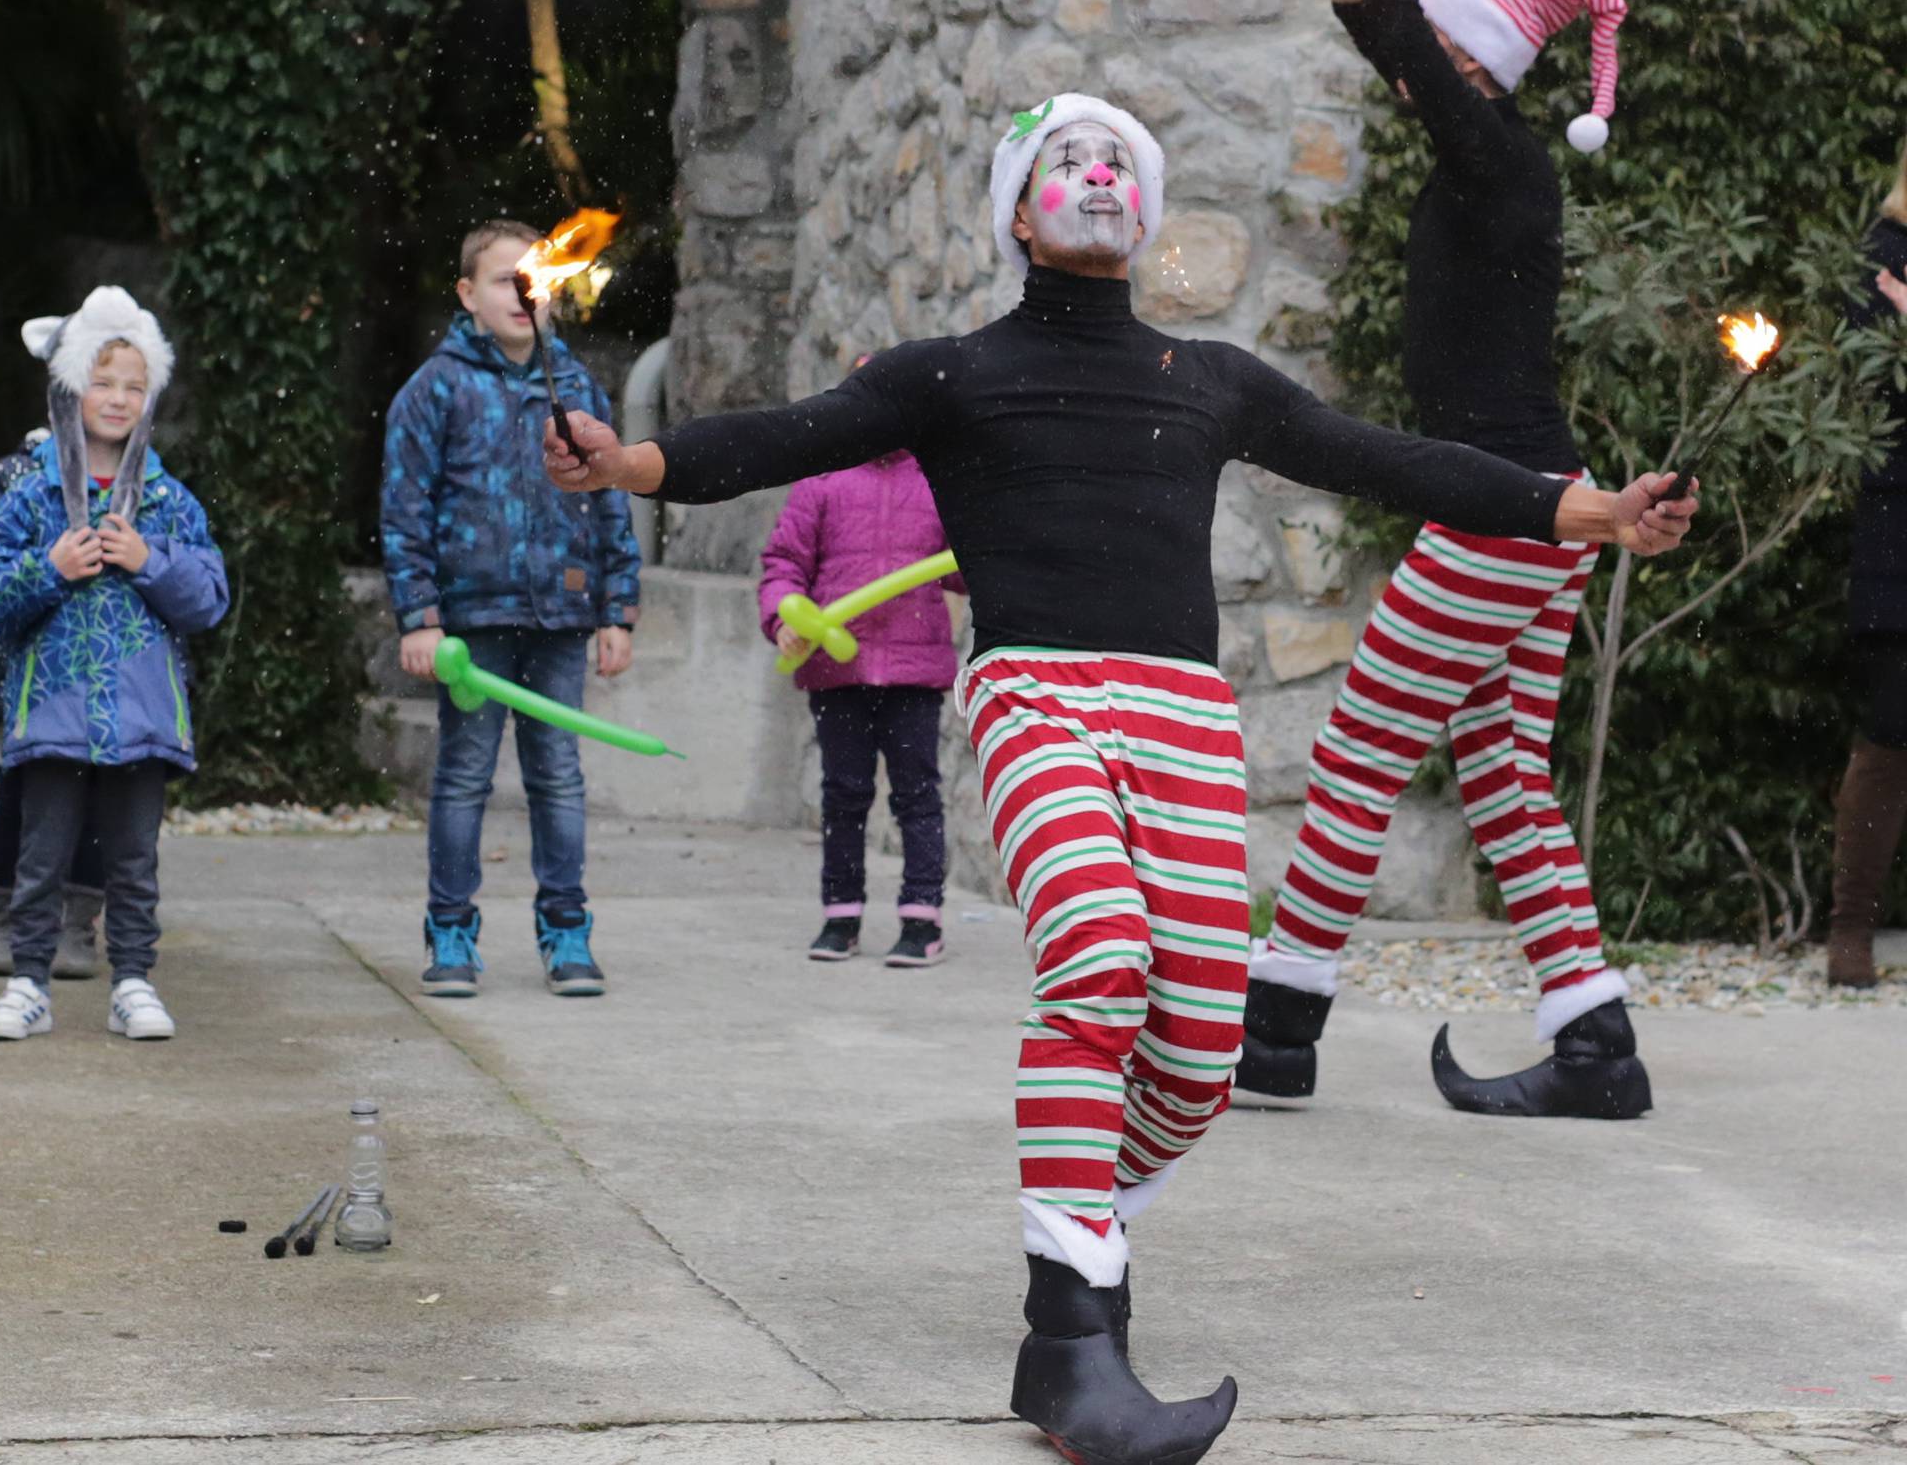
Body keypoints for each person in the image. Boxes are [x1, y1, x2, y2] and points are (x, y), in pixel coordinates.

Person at [544, 90, 1695, 1465]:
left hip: (1185, 716)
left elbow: (1389, 461)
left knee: (1204, 1051)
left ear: (1143, 211)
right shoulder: (950, 372)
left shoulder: (1210, 379)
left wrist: (1588, 509)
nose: (1096, 173)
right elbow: (784, 436)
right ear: (1020, 210)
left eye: (1118, 160)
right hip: (1037, 695)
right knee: (1098, 959)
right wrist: (630, 464)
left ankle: (1083, 1242)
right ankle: (1070, 1333)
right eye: (1065, 159)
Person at [1238, 0, 1652, 1124]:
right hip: (1536, 503)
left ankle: (1279, 1031)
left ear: (1477, 64)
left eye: (1435, 56)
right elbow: (1368, 5)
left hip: (1504, 512)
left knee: (1358, 753)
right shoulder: (1475, 145)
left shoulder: (1501, 158)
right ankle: (1597, 1044)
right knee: (1503, 773)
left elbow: (1402, 19)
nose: (1404, 70)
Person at [382, 218, 641, 1000]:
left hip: (562, 618)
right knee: (463, 776)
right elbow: (404, 509)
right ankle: (451, 929)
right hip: (471, 624)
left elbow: (609, 500)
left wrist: (615, 609)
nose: (520, 293)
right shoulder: (437, 389)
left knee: (558, 775)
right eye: (501, 278)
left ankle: (567, 930)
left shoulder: (578, 388)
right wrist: (420, 614)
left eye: (531, 278)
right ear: (466, 295)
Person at [0, 287, 227, 1043]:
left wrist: (149, 560)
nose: (117, 399)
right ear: (69, 386)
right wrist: (51, 566)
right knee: (40, 855)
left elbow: (210, 599)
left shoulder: (168, 502)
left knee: (133, 858)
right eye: (101, 380)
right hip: (50, 708)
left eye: (133, 385)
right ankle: (27, 981)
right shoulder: (30, 497)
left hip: (143, 714)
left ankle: (133, 980)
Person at [759, 410, 959, 967]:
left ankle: (923, 918)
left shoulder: (938, 480)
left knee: (916, 794)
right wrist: (783, 618)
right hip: (836, 669)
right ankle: (840, 914)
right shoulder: (821, 481)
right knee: (843, 793)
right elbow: (784, 564)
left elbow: (966, 568)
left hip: (913, 669)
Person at [1825, 134, 1907, 988]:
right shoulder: (1884, 256)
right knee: (1891, 724)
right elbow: (1866, 390)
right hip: (1900, 517)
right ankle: (1849, 933)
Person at [0, 429, 108, 982]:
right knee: (20, 791)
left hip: (110, 672)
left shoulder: (140, 483)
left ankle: (77, 919)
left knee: (103, 791)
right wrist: (49, 569)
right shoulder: (17, 479)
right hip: (30, 667)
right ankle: (2, 915)